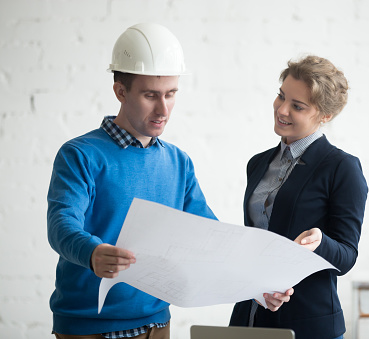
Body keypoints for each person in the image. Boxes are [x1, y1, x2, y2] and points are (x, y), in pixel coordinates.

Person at [47, 23, 291, 339]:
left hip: (156, 326)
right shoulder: (81, 155)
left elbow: (210, 239)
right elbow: (61, 225)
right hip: (86, 329)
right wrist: (93, 253)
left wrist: (257, 286)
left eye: (171, 94)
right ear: (121, 91)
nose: (163, 109)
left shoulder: (178, 162)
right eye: (150, 95)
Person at [229, 55, 368, 339]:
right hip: (250, 314)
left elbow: (347, 257)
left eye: (297, 106)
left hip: (308, 325)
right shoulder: (257, 164)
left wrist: (320, 242)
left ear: (325, 115)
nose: (282, 109)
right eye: (281, 96)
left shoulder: (342, 168)